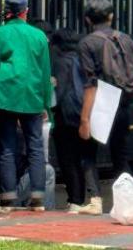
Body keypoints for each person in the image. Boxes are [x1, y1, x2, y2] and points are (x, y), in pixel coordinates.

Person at [77, 0, 133, 215]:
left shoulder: (87, 43)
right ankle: (125, 202)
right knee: (121, 156)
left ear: (87, 19)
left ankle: (95, 200)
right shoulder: (127, 40)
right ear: (111, 16)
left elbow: (90, 85)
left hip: (100, 105)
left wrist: (85, 119)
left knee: (88, 153)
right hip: (123, 105)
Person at [0, 0, 52, 212]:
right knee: (36, 146)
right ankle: (38, 197)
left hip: (5, 95)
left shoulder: (1, 33)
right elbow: (45, 72)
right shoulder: (39, 36)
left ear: (6, 11)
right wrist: (46, 104)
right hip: (32, 96)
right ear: (25, 11)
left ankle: (7, 198)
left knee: (6, 146)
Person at [51, 28, 87, 213]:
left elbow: (60, 91)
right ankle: (80, 197)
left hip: (66, 117)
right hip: (84, 115)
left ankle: (75, 199)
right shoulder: (83, 60)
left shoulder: (60, 62)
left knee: (68, 159)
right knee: (81, 158)